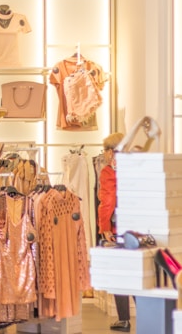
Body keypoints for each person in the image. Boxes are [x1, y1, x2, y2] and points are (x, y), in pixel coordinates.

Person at [97, 132, 132, 333]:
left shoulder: (109, 171)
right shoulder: (135, 166)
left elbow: (107, 202)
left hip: (118, 229)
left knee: (120, 274)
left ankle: (124, 320)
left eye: (104, 150)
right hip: (138, 229)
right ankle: (147, 315)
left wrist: (104, 228)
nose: (104, 154)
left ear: (111, 151)